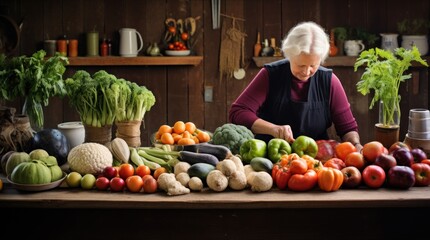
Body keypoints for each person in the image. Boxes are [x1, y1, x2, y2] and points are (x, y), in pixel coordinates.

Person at [229, 21, 362, 151]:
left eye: (313, 65)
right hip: (270, 158)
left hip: (315, 161)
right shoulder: (270, 75)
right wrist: (273, 129)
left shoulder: (329, 81)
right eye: (301, 65)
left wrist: (356, 146)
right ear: (290, 56)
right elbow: (238, 112)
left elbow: (347, 128)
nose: (306, 71)